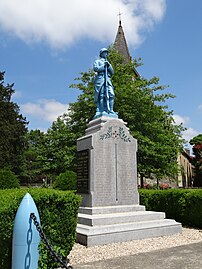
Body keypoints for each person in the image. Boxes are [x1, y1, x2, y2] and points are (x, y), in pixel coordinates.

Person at [93, 48, 117, 118]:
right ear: (101, 54)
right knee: (102, 95)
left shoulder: (108, 62)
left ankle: (111, 110)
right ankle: (102, 110)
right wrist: (103, 66)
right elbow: (96, 68)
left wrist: (108, 66)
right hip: (100, 79)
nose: (106, 54)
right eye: (104, 52)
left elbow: (112, 72)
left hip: (108, 79)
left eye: (106, 52)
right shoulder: (97, 61)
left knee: (111, 94)